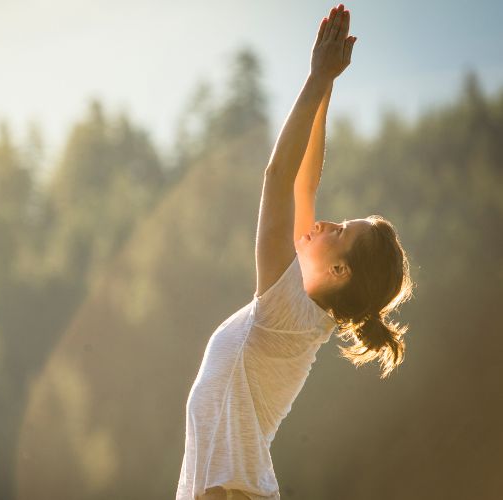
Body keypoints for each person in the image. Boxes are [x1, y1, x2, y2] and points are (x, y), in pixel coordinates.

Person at [175, 4, 414, 500]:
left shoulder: (288, 312)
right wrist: (326, 88)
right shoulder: (302, 309)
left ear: (339, 268)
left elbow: (279, 181)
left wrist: (314, 81)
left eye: (340, 230)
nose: (326, 221)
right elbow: (304, 188)